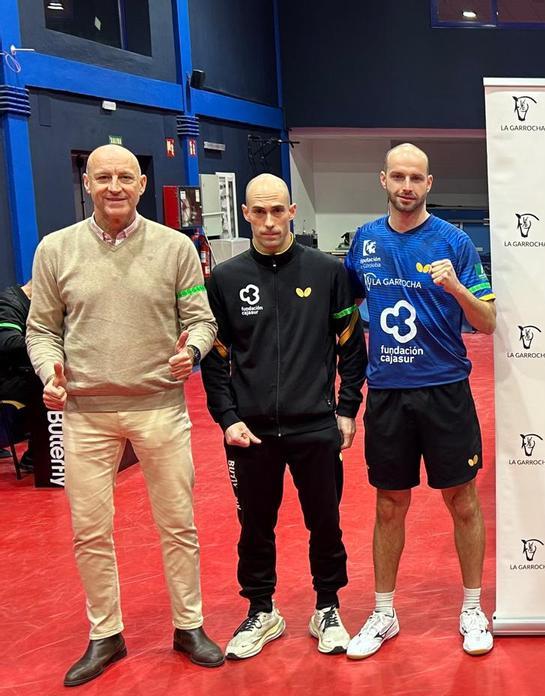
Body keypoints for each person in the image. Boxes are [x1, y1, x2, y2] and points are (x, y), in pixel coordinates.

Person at [25, 144, 222, 686]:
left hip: (159, 406)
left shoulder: (176, 247)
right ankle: (105, 634)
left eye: (125, 178)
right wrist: (50, 371)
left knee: (178, 524)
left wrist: (194, 353)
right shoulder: (55, 250)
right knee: (90, 530)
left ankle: (189, 625)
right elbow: (41, 329)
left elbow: (201, 320)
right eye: (103, 177)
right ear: (87, 184)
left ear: (140, 184)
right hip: (85, 412)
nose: (115, 186)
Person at [199, 174, 367, 660]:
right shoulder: (225, 280)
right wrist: (227, 417)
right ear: (245, 215)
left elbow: (351, 348)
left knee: (325, 522)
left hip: (315, 425)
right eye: (259, 212)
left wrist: (347, 408)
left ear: (292, 211)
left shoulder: (326, 272)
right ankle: (261, 610)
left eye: (278, 211)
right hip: (249, 432)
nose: (269, 221)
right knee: (254, 525)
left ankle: (328, 606)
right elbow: (215, 358)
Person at [344, 143, 496, 658]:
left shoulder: (454, 241)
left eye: (417, 178)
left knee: (462, 500)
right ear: (383, 180)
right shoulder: (364, 241)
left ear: (429, 184)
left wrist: (456, 288)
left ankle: (472, 607)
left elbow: (488, 322)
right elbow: (343, 312)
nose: (407, 186)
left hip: (445, 390)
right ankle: (383, 612)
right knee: (389, 504)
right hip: (387, 393)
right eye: (399, 177)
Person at [0, 281, 42, 475]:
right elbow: (8, 342)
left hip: (25, 375)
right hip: (6, 377)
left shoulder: (47, 307)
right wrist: (48, 345)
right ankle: (39, 457)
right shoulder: (10, 302)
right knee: (46, 384)